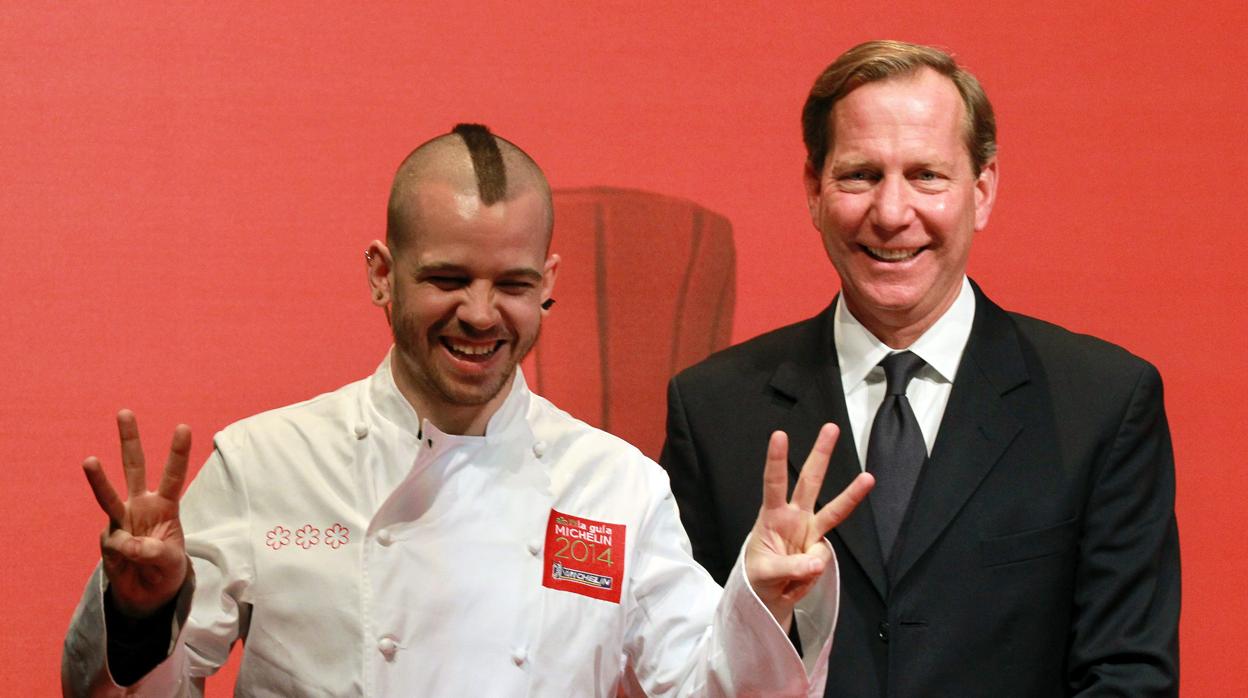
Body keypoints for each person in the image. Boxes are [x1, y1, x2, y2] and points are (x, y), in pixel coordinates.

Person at [62, 123, 873, 697]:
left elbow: (705, 690)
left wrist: (762, 602)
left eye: (513, 285)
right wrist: (137, 612)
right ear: (383, 273)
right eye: (448, 279)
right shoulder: (265, 462)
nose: (481, 315)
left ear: (549, 282)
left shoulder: (616, 488)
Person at [660, 40, 1180, 697]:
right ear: (814, 191)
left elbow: (1126, 675)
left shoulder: (1102, 403)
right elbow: (677, 669)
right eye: (860, 175)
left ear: (982, 190)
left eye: (927, 175)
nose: (892, 212)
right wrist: (758, 611)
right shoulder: (714, 410)